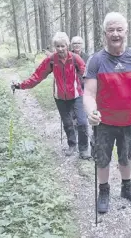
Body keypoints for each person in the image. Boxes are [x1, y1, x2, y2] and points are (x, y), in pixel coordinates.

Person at [83, 12, 131, 213]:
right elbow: (88, 93)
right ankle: (104, 190)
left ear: (126, 31)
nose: (115, 34)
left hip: (129, 121)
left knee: (126, 156)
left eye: (119, 29)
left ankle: (126, 187)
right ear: (104, 33)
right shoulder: (96, 60)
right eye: (111, 30)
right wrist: (91, 112)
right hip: (104, 122)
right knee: (102, 158)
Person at [12, 32, 91, 160]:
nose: (60, 49)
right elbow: (37, 76)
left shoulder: (75, 58)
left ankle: (83, 149)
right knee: (67, 122)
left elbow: (87, 74)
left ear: (67, 45)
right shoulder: (51, 60)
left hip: (76, 95)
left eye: (62, 46)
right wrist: (21, 85)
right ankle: (72, 145)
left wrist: (91, 89)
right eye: (57, 46)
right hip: (60, 97)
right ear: (55, 47)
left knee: (82, 122)